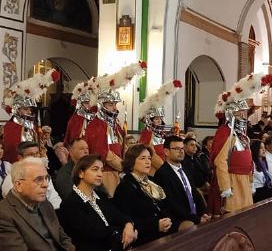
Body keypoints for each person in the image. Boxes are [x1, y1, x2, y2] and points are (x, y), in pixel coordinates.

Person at [209, 73, 272, 215]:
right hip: (232, 182)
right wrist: (225, 187)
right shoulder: (225, 132)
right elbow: (220, 161)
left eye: (245, 113)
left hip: (245, 182)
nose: (244, 116)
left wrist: (251, 181)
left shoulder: (243, 136)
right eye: (241, 113)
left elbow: (250, 161)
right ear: (231, 114)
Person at [58, 154, 137, 251]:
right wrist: (122, 233)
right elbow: (95, 233)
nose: (100, 174)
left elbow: (119, 216)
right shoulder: (70, 203)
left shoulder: (101, 196)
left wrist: (128, 226)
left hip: (115, 250)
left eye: (101, 170)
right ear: (81, 173)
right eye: (95, 170)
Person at [86, 63, 146, 196]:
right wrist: (124, 166)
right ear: (101, 105)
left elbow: (122, 145)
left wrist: (129, 162)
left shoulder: (114, 124)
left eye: (114, 104)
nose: (114, 107)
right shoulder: (96, 124)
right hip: (106, 174)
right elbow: (103, 153)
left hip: (120, 172)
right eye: (110, 104)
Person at [112, 144, 172, 246]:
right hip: (141, 241)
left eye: (149, 158)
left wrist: (167, 220)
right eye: (143, 158)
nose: (148, 161)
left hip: (161, 235)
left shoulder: (152, 182)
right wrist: (155, 225)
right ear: (131, 162)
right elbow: (125, 220)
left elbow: (163, 207)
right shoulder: (125, 187)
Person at [154, 136, 211, 232]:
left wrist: (203, 213)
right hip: (177, 220)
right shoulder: (162, 174)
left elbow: (194, 193)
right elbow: (171, 204)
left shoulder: (185, 169)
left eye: (182, 148)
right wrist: (196, 219)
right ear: (166, 152)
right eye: (176, 149)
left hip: (194, 217)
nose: (181, 151)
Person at [2, 69, 60, 163]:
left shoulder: (33, 126)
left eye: (30, 109)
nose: (29, 112)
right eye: (25, 109)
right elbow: (12, 151)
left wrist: (43, 139)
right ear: (17, 110)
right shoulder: (11, 126)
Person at [138, 78, 183, 172]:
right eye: (156, 119)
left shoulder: (162, 134)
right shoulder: (147, 133)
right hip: (154, 171)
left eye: (160, 119)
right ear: (150, 120)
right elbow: (151, 155)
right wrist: (166, 169)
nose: (159, 121)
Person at [1, 142, 62, 209]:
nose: (36, 157)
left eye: (37, 153)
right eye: (31, 155)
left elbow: (54, 197)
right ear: (20, 157)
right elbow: (20, 208)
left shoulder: (43, 173)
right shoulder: (11, 180)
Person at [64, 77, 97, 146]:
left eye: (91, 103)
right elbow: (73, 141)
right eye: (86, 103)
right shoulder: (76, 119)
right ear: (80, 104)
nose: (90, 106)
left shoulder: (95, 117)